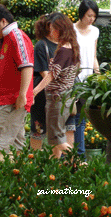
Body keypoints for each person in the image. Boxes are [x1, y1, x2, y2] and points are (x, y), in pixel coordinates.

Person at [0, 3, 34, 154]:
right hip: (9, 99)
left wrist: (23, 95)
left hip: (12, 100)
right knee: (16, 143)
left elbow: (27, 66)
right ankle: (18, 174)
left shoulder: (16, 36)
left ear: (3, 21)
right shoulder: (7, 38)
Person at [33, 13, 80, 158]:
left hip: (57, 98)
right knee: (56, 138)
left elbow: (51, 75)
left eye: (53, 29)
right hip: (66, 97)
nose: (51, 32)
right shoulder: (73, 47)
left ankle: (79, 164)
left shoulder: (64, 50)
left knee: (56, 138)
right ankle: (56, 169)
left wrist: (34, 91)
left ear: (61, 29)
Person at [74, 0, 100, 158]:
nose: (91, 19)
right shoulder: (71, 29)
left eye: (94, 16)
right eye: (89, 15)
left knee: (81, 118)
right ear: (81, 14)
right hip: (74, 78)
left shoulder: (95, 31)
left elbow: (94, 56)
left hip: (88, 80)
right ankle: (74, 154)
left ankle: (79, 154)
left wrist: (98, 74)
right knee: (73, 117)